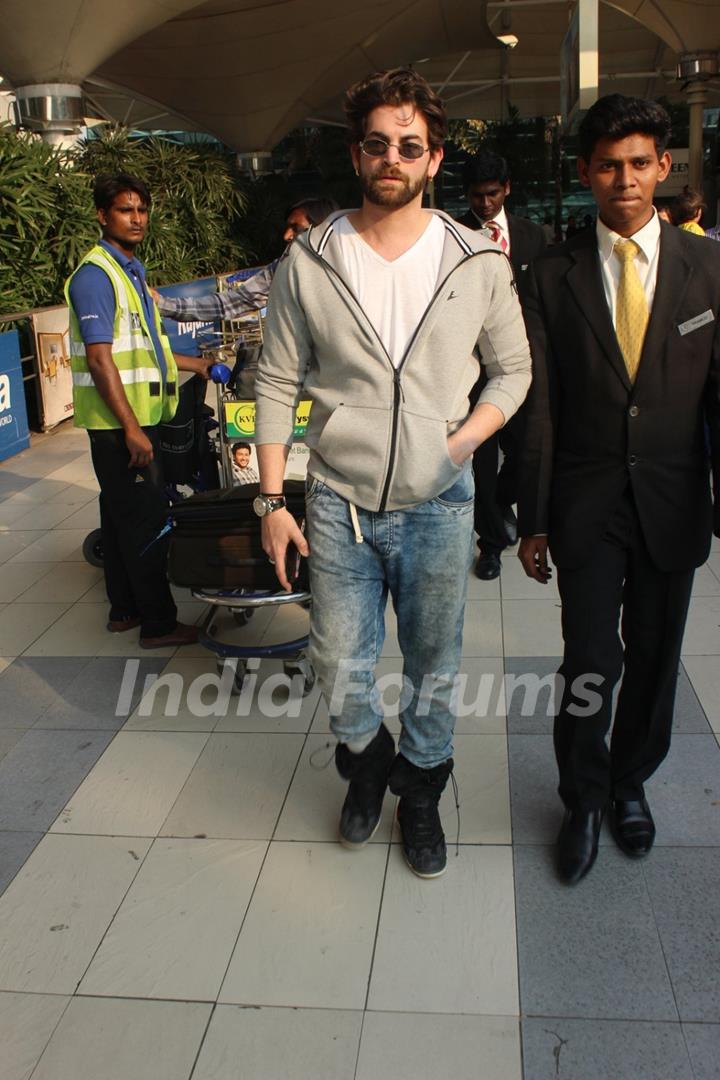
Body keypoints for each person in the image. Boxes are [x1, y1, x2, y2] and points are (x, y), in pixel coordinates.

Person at [254, 68, 531, 878]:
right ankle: (369, 762)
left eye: (410, 145)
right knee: (337, 660)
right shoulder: (311, 260)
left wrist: (458, 443)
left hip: (440, 501)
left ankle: (419, 792)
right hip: (337, 497)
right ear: (357, 153)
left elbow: (511, 374)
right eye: (378, 143)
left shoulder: (475, 259)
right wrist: (273, 499)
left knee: (434, 663)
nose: (393, 157)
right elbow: (274, 379)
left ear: (434, 158)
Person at [517, 94, 720, 886]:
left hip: (674, 499)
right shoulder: (550, 273)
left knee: (658, 657)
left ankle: (631, 783)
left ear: (664, 168)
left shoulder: (709, 268)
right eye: (608, 166)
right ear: (585, 175)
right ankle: (582, 797)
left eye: (639, 164)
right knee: (591, 658)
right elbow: (540, 406)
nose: (624, 180)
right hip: (587, 503)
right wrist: (530, 518)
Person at [66, 172, 211, 648]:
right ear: (102, 215)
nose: (137, 219)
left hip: (135, 416)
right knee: (147, 520)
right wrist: (132, 429)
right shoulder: (95, 277)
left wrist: (199, 365)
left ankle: (124, 609)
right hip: (120, 425)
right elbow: (100, 357)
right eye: (126, 210)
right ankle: (159, 624)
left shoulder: (131, 271)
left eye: (142, 210)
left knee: (119, 513)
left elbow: (151, 348)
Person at [455, 150, 546, 579]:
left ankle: (507, 518)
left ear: (506, 189)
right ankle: (490, 545)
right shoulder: (453, 238)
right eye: (477, 195)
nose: (485, 204)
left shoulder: (534, 238)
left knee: (528, 457)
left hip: (525, 371)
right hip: (472, 378)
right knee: (480, 470)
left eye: (492, 194)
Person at [154, 197, 338, 323]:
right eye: (287, 227)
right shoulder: (283, 268)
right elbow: (228, 304)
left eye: (296, 228)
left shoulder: (355, 263)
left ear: (321, 228)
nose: (287, 236)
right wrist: (164, 305)